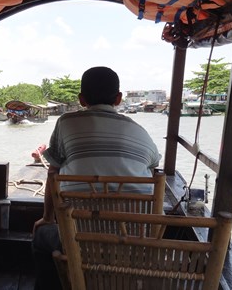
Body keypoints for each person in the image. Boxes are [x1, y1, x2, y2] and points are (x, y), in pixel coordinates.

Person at [32, 66, 161, 289]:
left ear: (81, 100)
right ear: (119, 99)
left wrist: (47, 218)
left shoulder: (66, 122)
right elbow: (153, 165)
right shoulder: (140, 132)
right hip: (134, 248)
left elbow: (53, 172)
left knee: (42, 235)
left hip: (78, 245)